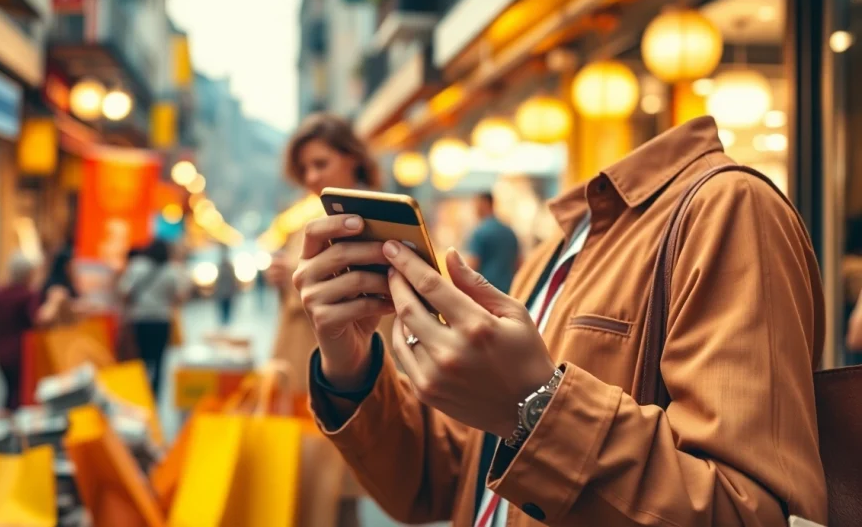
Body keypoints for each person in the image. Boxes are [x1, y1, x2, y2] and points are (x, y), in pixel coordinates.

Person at [293, 116, 827, 526]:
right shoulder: (560, 243)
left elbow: (749, 512)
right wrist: (351, 367)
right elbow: (446, 478)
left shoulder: (727, 206)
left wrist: (531, 409)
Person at [268, 112, 390, 526]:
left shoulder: (375, 218)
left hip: (344, 371)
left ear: (352, 158)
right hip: (301, 368)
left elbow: (373, 298)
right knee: (312, 488)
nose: (310, 176)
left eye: (320, 163)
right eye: (303, 168)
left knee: (334, 486)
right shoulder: (310, 218)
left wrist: (295, 283)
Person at [118, 239, 189, 396]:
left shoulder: (137, 266)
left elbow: (124, 293)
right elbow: (179, 297)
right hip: (161, 320)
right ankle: (155, 394)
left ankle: (140, 390)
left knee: (140, 358)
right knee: (159, 360)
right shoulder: (171, 271)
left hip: (140, 319)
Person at [0, 253, 39, 411]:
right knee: (17, 393)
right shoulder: (27, 295)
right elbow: (35, 321)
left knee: (7, 390)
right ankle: (11, 425)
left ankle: (5, 420)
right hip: (20, 350)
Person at [464, 192, 521, 293]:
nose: (475, 209)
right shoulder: (509, 231)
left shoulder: (480, 232)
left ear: (485, 204)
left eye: (477, 204)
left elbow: (471, 266)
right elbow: (519, 263)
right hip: (508, 290)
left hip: (486, 291)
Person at [35, 243, 80, 327]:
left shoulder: (69, 285)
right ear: (65, 266)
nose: (75, 268)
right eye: (72, 264)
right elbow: (44, 317)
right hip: (58, 336)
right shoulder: (56, 289)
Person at [214, 245, 238, 327]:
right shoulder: (219, 266)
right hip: (221, 292)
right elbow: (217, 280)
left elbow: (233, 280)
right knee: (222, 310)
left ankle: (227, 324)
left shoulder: (230, 266)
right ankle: (223, 324)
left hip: (228, 292)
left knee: (228, 310)